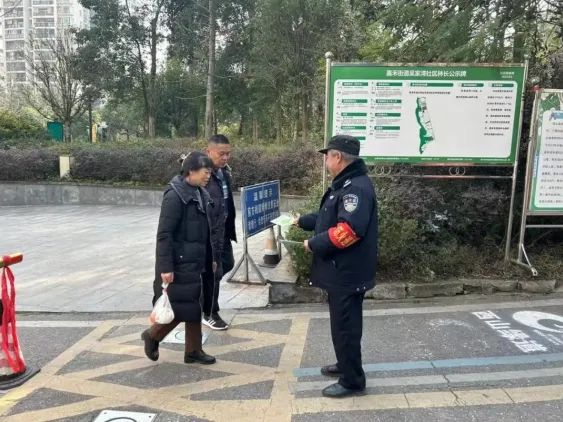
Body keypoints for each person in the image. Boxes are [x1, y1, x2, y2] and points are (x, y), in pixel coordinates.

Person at [295, 135, 378, 398]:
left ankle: (352, 380)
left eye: (328, 156)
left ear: (338, 157)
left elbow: (349, 230)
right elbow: (329, 217)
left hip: (347, 273)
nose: (326, 161)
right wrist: (302, 221)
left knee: (346, 327)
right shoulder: (346, 184)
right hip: (341, 270)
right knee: (343, 325)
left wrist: (314, 244)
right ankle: (345, 364)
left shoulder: (355, 189)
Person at [141, 151, 219, 365]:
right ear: (191, 171)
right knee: (181, 307)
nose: (208, 176)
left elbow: (206, 232)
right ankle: (153, 335)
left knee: (194, 305)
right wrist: (166, 267)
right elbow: (164, 234)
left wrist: (210, 258)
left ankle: (193, 350)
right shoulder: (175, 196)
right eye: (205, 172)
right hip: (179, 262)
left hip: (196, 260)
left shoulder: (200, 193)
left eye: (210, 173)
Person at [201, 134, 236, 330]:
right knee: (214, 273)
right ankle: (209, 312)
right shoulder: (202, 174)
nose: (225, 157)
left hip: (223, 231)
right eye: (221, 154)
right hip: (210, 234)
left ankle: (203, 296)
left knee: (227, 264)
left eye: (228, 154)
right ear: (208, 152)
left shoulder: (224, 172)